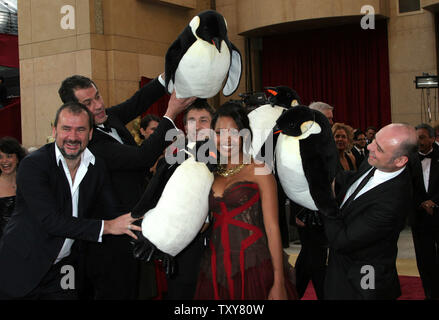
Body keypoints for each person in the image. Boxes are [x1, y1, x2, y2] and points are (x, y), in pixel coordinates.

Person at [58, 74, 195, 299]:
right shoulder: (90, 144)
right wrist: (170, 114)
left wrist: (167, 76)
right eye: (88, 103)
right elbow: (141, 157)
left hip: (133, 229)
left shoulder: (108, 117)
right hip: (110, 244)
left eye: (98, 96)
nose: (99, 105)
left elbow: (138, 101)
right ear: (74, 112)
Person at [0, 102, 142, 299]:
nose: (73, 137)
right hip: (22, 267)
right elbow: (51, 221)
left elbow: (113, 211)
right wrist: (107, 226)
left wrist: (148, 228)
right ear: (54, 131)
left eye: (81, 129)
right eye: (66, 129)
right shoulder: (34, 165)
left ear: (90, 134)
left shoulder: (96, 166)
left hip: (65, 271)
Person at [194, 102, 298, 300]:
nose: (226, 139)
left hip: (254, 263)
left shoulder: (260, 170)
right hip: (217, 265)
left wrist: (278, 282)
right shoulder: (210, 173)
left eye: (233, 132)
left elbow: (272, 228)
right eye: (219, 132)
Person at [322, 123, 418, 300]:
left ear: (400, 160)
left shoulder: (393, 203)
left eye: (379, 148)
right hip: (340, 272)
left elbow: (342, 241)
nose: (369, 147)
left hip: (362, 282)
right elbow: (356, 181)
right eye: (373, 140)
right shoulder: (377, 160)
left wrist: (324, 201)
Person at [165, 99, 215, 300]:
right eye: (192, 121)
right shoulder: (173, 157)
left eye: (204, 120)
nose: (198, 125)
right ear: (185, 127)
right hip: (183, 246)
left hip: (218, 241)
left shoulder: (226, 156)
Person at [410, 123, 439, 300]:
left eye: (422, 137)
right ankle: (430, 293)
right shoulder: (409, 159)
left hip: (438, 212)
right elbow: (406, 187)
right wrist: (421, 203)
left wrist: (434, 202)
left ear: (432, 138)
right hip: (419, 217)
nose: (418, 142)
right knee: (424, 258)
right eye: (416, 138)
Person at [0, 137, 27, 238]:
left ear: (18, 158)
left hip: (25, 239)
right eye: (0, 157)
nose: (4, 161)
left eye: (9, 156)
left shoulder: (28, 182)